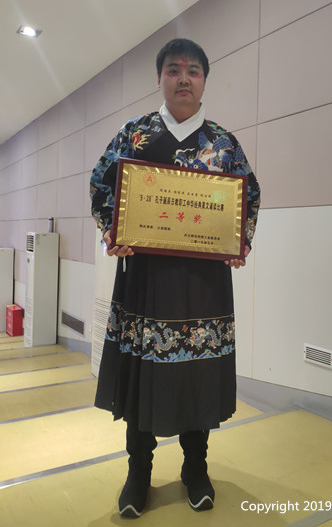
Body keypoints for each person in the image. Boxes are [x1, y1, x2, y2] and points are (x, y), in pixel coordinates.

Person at [90, 38, 260, 518]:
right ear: (160, 78)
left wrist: (240, 241)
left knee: (197, 374)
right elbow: (101, 183)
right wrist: (111, 231)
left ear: (204, 80)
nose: (183, 78)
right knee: (143, 372)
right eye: (173, 69)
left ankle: (195, 469)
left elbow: (249, 196)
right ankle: (138, 474)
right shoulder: (134, 134)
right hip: (145, 280)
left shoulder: (223, 143)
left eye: (193, 70)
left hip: (204, 284)